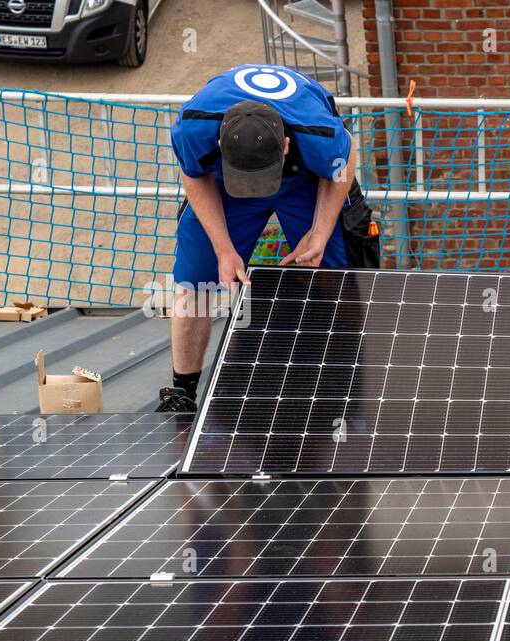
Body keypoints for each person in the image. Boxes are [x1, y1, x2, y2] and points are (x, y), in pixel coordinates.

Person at [158, 64, 380, 412]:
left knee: (334, 272)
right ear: (219, 142)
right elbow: (194, 176)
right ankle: (182, 392)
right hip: (222, 184)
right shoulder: (192, 126)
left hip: (305, 180)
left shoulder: (318, 132)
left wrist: (319, 233)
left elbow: (344, 160)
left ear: (287, 145)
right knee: (194, 278)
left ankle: (345, 388)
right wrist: (223, 248)